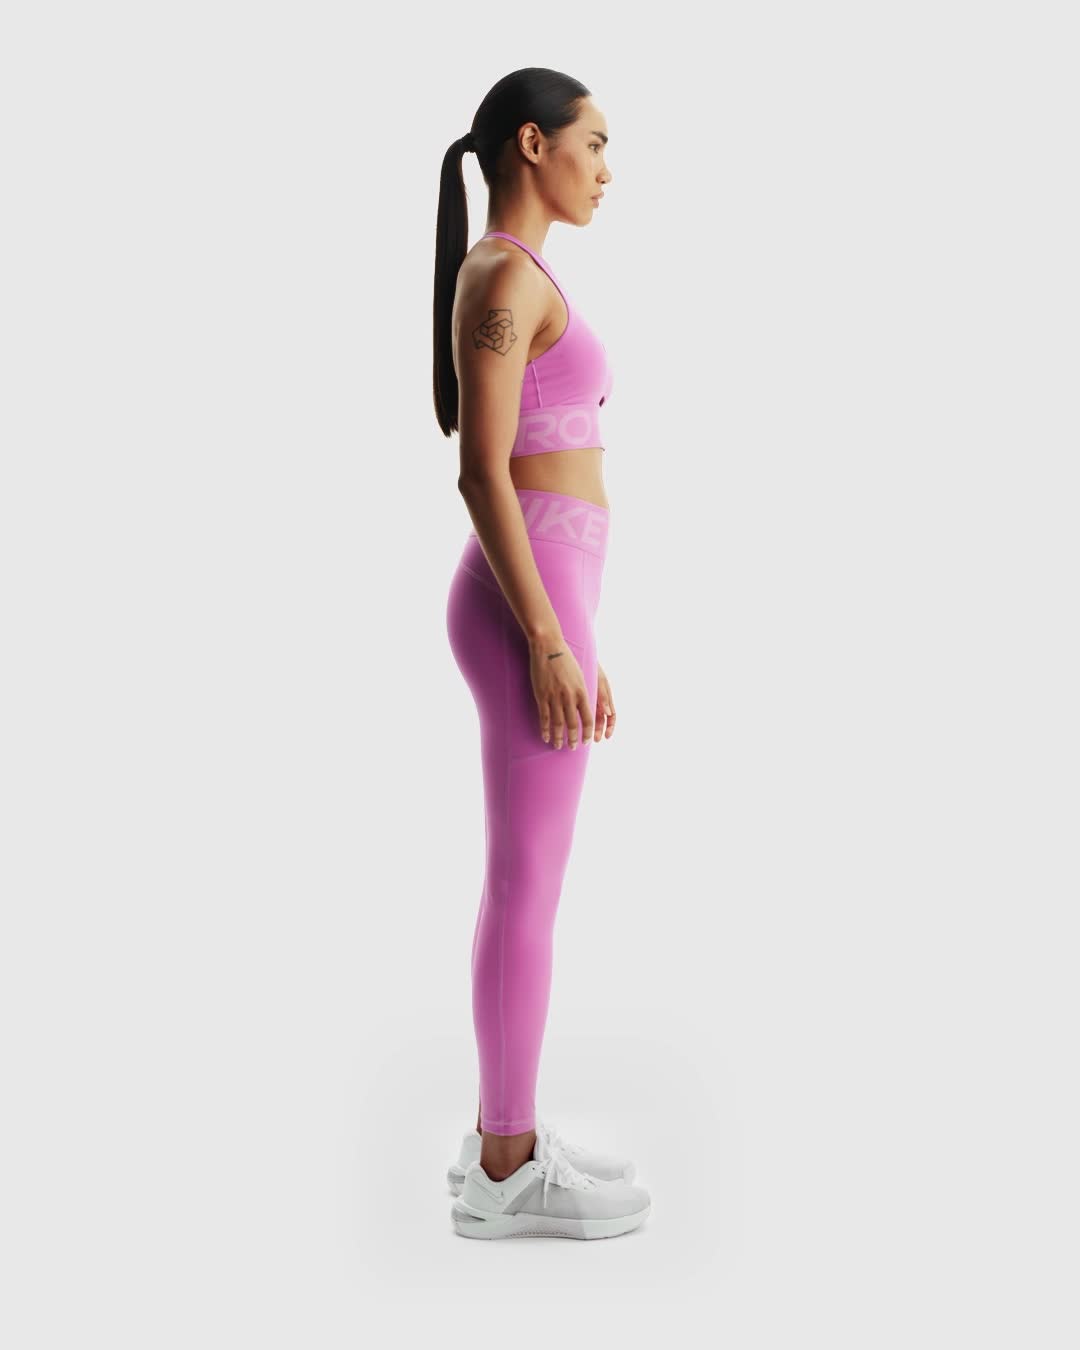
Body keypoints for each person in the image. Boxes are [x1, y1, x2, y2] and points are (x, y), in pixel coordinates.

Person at [434, 67, 651, 1240]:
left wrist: (571, 637)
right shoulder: (503, 275)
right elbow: (482, 471)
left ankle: (499, 1139)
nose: (607, 170)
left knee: (528, 878)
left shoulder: (520, 272)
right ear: (534, 143)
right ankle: (508, 1170)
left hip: (548, 601)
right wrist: (550, 640)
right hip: (529, 608)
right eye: (594, 144)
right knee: (528, 883)